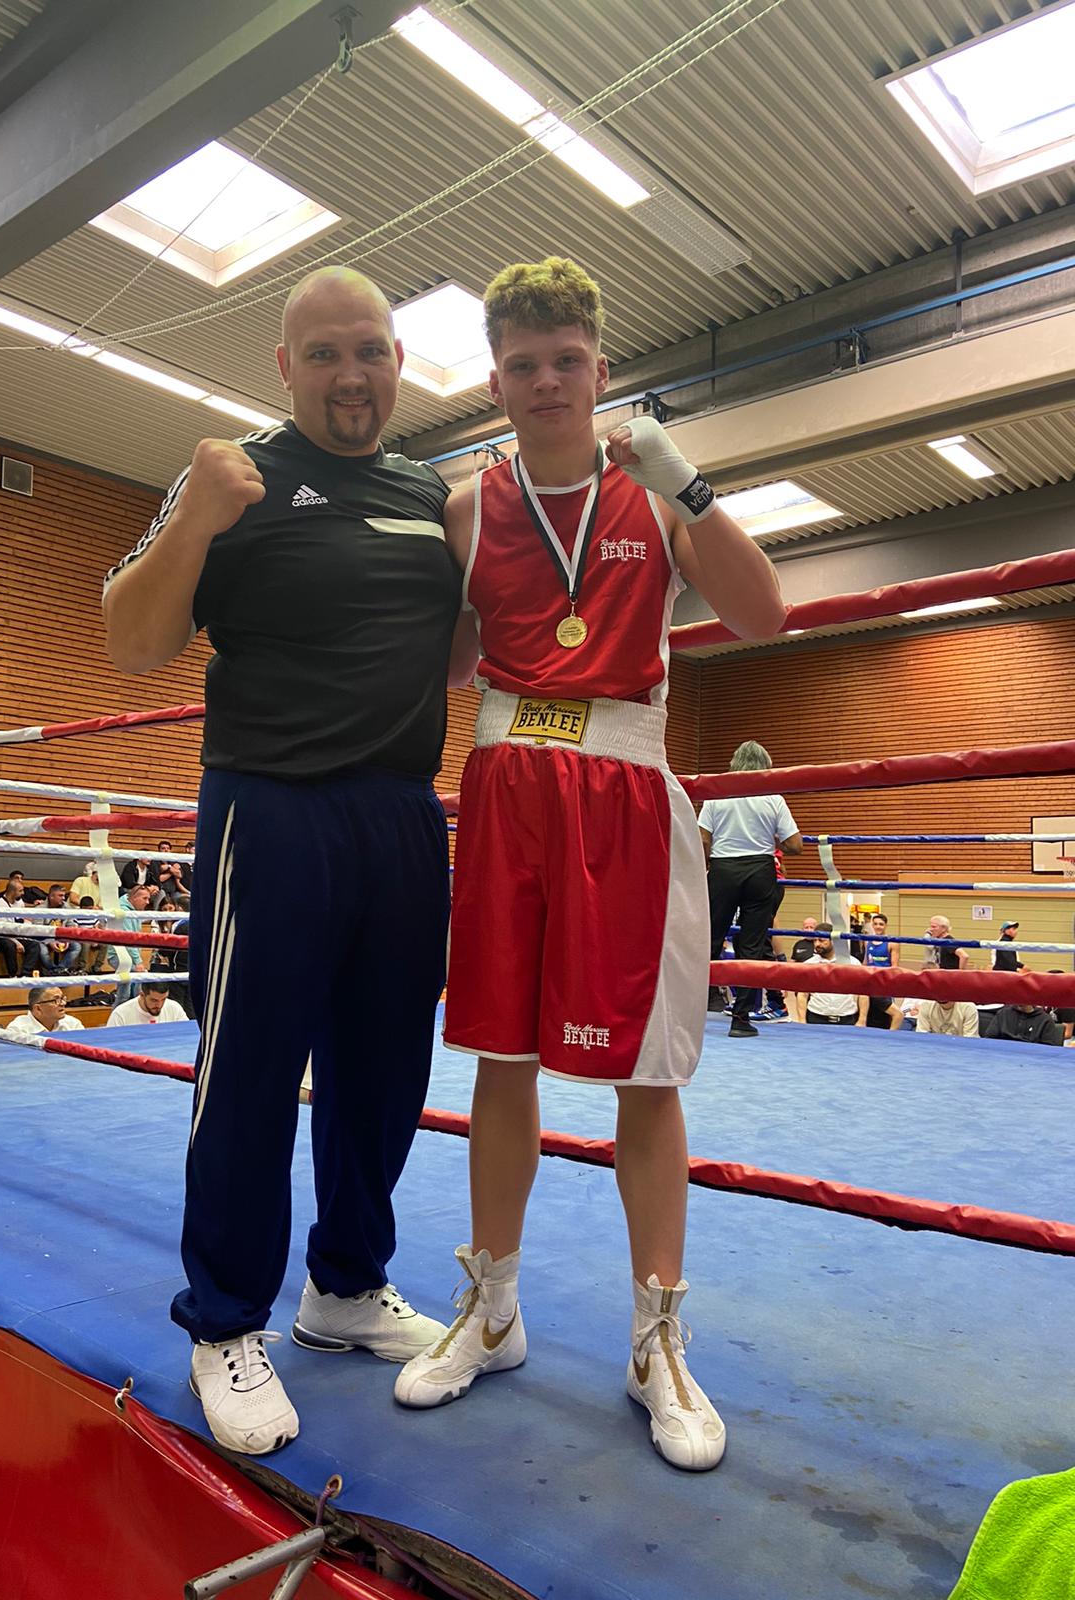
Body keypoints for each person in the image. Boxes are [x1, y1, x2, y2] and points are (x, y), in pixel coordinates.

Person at [393, 257, 786, 1473]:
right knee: (499, 1060)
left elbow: (766, 615)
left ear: (602, 369)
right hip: (505, 789)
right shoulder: (468, 507)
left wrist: (688, 481)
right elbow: (448, 664)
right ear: (496, 382)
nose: (548, 381)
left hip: (622, 795)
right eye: (524, 364)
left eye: (568, 360)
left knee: (646, 1077)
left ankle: (656, 1341)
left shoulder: (655, 498)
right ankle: (492, 1309)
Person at [102, 265, 466, 1456]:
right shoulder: (236, 477)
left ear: (398, 361)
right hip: (272, 808)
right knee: (251, 1071)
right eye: (325, 354)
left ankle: (346, 1285)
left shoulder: (428, 492)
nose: (351, 376)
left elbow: (456, 659)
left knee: (384, 1070)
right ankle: (223, 1320)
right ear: (284, 366)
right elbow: (130, 639)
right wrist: (194, 518)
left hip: (402, 813)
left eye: (370, 352)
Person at [698, 741, 802, 1037]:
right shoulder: (773, 797)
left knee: (709, 939)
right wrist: (771, 840)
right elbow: (795, 845)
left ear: (734, 763)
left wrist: (708, 866)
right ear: (765, 766)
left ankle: (691, 1010)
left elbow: (702, 839)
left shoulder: (717, 792)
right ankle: (741, 1019)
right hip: (759, 869)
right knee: (752, 944)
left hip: (723, 869)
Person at [803, 928, 869, 1026]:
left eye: (821, 940)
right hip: (816, 1017)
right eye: (815, 940)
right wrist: (801, 1019)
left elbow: (863, 993)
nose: (817, 944)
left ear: (834, 941)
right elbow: (802, 994)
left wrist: (862, 1019)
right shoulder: (809, 964)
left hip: (847, 1019)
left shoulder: (853, 963)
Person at [861, 912, 902, 1030]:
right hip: (870, 982)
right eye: (875, 924)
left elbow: (894, 967)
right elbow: (865, 962)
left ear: (886, 925)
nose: (878, 926)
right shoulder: (867, 941)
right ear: (872, 925)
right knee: (869, 1011)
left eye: (881, 924)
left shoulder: (892, 943)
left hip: (884, 983)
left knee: (886, 1013)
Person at [5, 985, 86, 1038]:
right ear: (38, 1009)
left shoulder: (73, 1024)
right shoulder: (17, 1031)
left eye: (62, 999)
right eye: (55, 1000)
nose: (63, 1003)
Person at [106, 982, 188, 1026]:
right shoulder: (120, 1014)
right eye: (154, 1000)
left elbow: (187, 1036)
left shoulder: (175, 1008)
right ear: (142, 995)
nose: (159, 1005)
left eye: (163, 999)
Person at [983, 1002, 1063, 1046]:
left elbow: (1047, 1048)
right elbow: (989, 1038)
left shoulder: (1045, 1020)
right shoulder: (1003, 1013)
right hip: (1002, 1055)